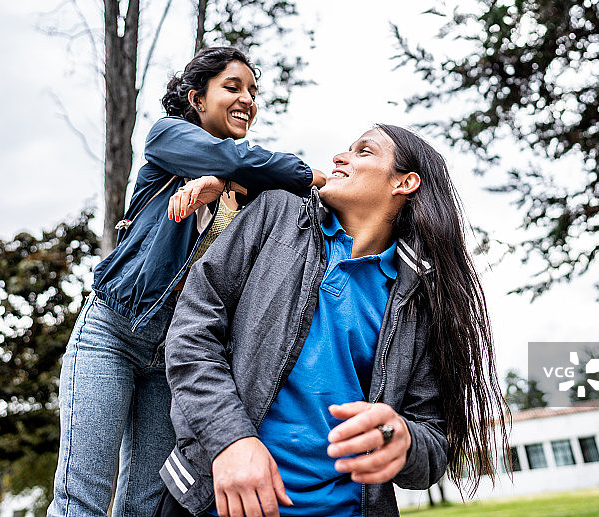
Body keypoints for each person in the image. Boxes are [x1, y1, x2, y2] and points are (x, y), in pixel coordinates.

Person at [158, 125, 509, 517]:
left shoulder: (419, 299)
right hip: (213, 502)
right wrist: (231, 441)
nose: (340, 158)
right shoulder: (276, 213)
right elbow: (191, 333)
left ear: (405, 182)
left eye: (363, 152)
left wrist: (402, 439)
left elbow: (432, 442)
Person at [48, 46, 325, 517]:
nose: (248, 100)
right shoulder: (167, 138)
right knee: (82, 499)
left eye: (253, 91)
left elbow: (273, 192)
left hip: (175, 355)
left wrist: (225, 183)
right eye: (233, 88)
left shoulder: (249, 182)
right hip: (113, 333)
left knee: (145, 505)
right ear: (197, 99)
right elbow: (247, 162)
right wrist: (267, 174)